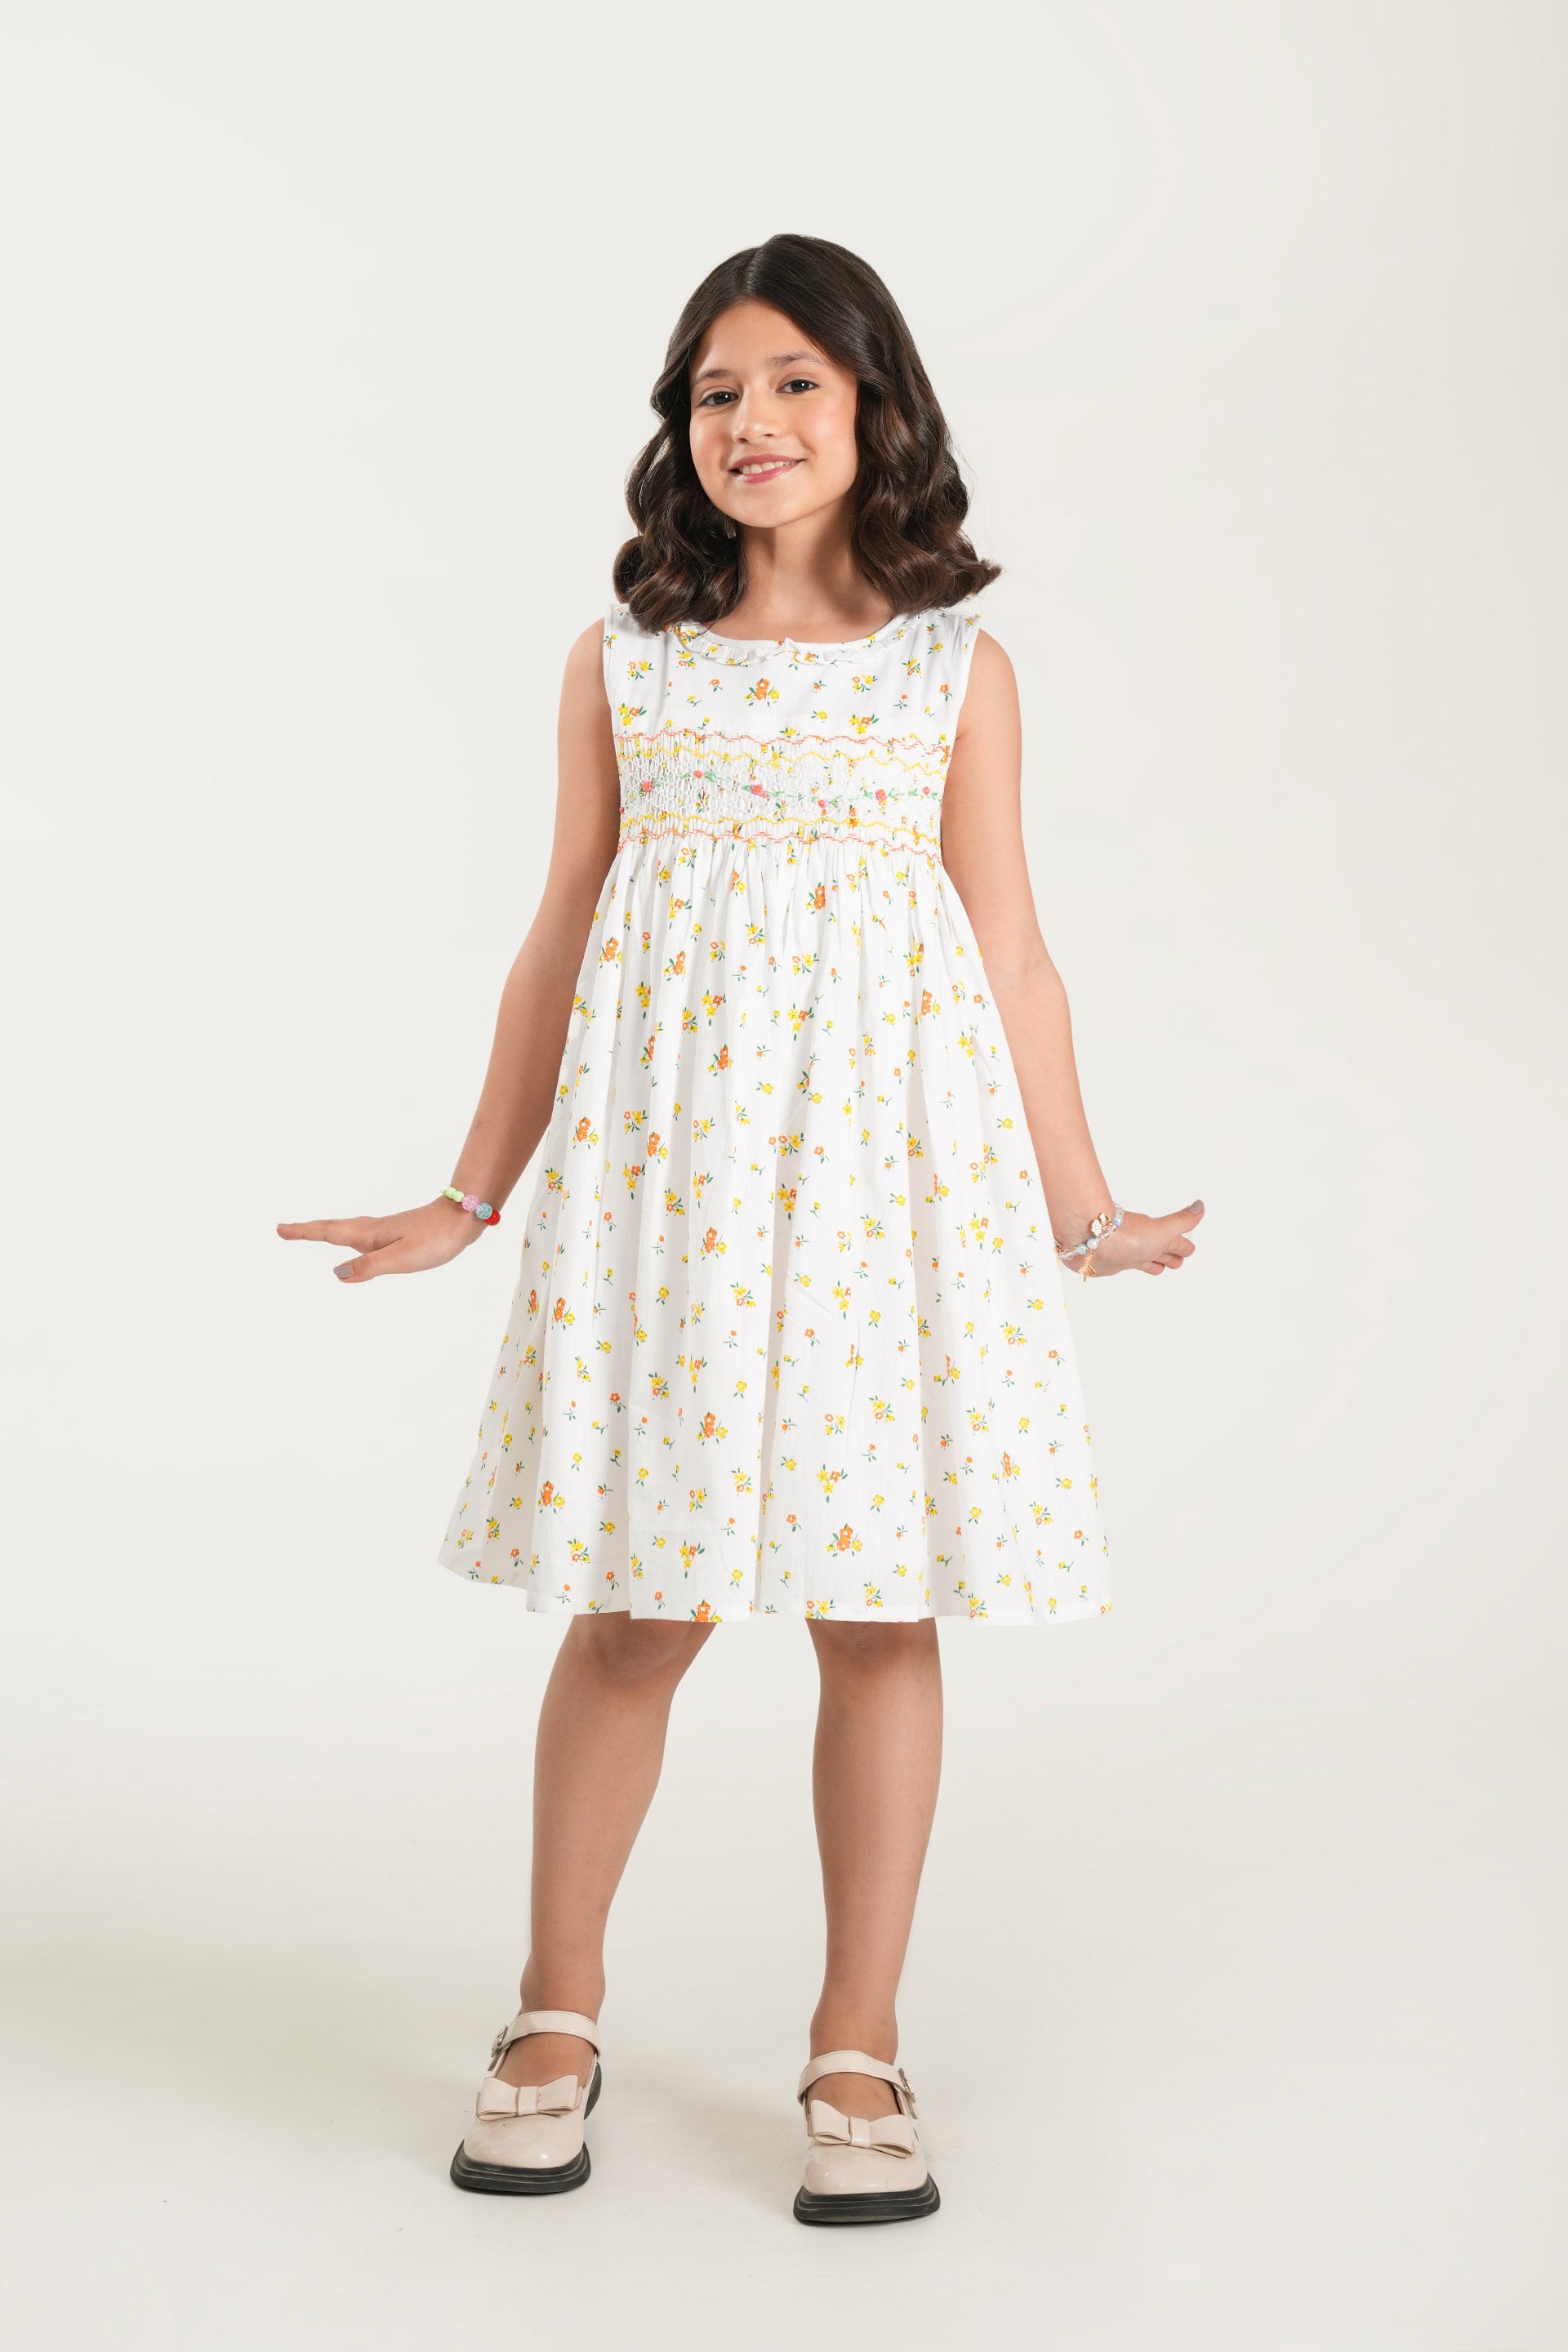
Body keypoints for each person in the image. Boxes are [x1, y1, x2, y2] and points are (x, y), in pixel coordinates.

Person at [278, 232, 1203, 2226]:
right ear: (678, 429)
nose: (752, 420)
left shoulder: (956, 671)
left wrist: (1087, 1208)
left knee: (881, 1610)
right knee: (639, 1608)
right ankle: (555, 2016)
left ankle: (857, 2042)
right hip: (673, 1185)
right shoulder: (627, 664)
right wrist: (470, 1191)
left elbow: (1014, 953)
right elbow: (558, 935)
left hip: (889, 1183)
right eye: (716, 390)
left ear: (876, 409)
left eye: (794, 382)